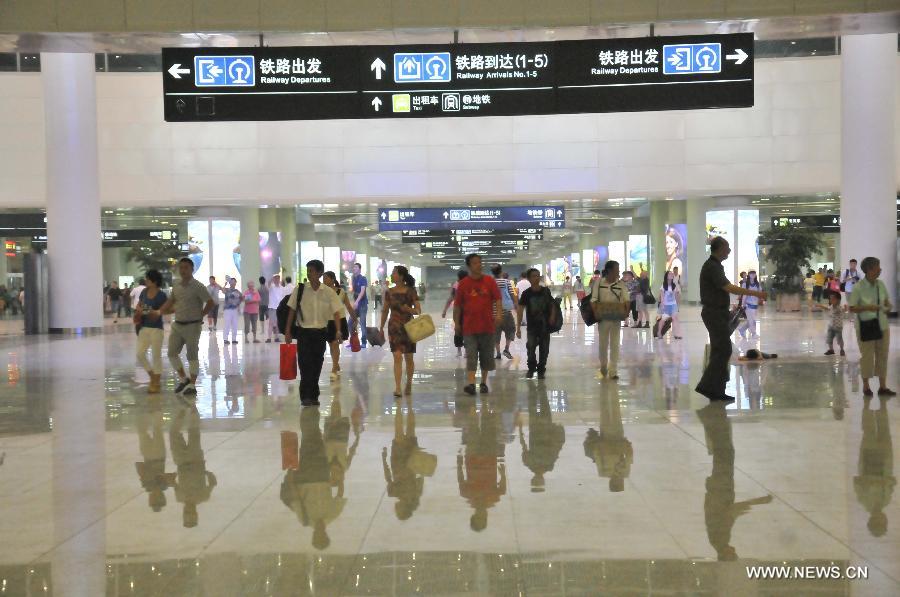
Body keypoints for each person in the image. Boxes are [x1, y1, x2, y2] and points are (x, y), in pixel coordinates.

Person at [695, 237, 767, 402]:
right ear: (719, 248)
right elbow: (728, 287)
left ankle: (715, 389)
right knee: (723, 349)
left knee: (721, 350)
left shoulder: (715, 266)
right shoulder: (712, 266)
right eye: (727, 247)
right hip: (714, 313)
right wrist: (756, 294)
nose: (729, 251)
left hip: (717, 312)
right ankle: (708, 386)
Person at [284, 260, 343, 406]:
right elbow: (291, 310)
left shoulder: (328, 292)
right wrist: (287, 330)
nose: (309, 273)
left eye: (311, 271)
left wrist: (338, 330)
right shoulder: (301, 289)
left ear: (320, 273)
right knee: (305, 364)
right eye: (308, 271)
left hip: (320, 333)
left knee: (317, 363)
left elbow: (337, 312)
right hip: (304, 332)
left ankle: (314, 395)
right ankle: (305, 396)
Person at [159, 257, 215, 397]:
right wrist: (159, 312)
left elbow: (210, 302)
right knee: (171, 353)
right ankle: (184, 379)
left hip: (193, 326)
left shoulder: (198, 286)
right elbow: (171, 301)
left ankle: (192, 385)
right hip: (178, 325)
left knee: (192, 355)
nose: (183, 270)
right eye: (181, 267)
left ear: (192, 270)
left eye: (186, 268)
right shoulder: (176, 285)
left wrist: (201, 315)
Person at [454, 254, 502, 395]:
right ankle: (470, 384)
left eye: (480, 262)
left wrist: (499, 314)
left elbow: (498, 299)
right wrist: (456, 323)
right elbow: (457, 306)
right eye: (475, 263)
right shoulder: (463, 284)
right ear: (469, 266)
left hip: (487, 326)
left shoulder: (489, 281)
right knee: (471, 355)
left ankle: (483, 383)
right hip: (469, 327)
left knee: (486, 356)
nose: (479, 265)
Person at [848, 256, 895, 397]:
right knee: (867, 356)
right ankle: (866, 387)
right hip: (865, 326)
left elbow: (886, 301)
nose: (880, 269)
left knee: (883, 356)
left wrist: (888, 306)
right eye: (877, 267)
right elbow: (852, 308)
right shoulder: (858, 287)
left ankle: (883, 387)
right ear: (869, 269)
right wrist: (867, 307)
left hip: (882, 325)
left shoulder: (881, 284)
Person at [380, 266, 421, 397]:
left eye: (394, 273)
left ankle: (408, 383)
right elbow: (385, 310)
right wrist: (381, 327)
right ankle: (397, 387)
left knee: (409, 357)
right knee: (397, 356)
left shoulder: (411, 291)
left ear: (401, 276)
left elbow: (418, 311)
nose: (392, 275)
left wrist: (409, 309)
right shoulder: (389, 292)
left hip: (409, 327)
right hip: (394, 327)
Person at [591, 261, 630, 380]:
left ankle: (613, 370)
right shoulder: (599, 283)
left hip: (616, 318)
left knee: (615, 344)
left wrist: (626, 312)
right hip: (603, 318)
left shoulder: (621, 284)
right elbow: (593, 299)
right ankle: (603, 365)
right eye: (616, 270)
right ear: (609, 271)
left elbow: (626, 299)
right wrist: (596, 312)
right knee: (603, 344)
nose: (618, 272)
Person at [516, 268, 554, 379]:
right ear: (529, 278)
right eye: (534, 276)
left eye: (538, 276)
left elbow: (552, 305)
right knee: (531, 347)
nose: (536, 278)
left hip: (545, 326)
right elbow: (520, 310)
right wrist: (518, 327)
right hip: (532, 327)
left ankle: (541, 369)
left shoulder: (545, 291)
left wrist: (552, 316)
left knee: (544, 349)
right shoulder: (526, 294)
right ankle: (531, 368)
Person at [134, 269, 168, 394]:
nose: (146, 280)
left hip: (157, 329)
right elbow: (139, 305)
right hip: (144, 327)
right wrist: (139, 310)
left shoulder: (161, 295)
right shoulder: (144, 291)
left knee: (156, 356)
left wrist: (155, 312)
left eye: (148, 278)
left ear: (154, 281)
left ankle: (156, 382)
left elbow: (165, 310)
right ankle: (153, 376)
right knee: (140, 353)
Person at [323, 271, 357, 382]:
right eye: (323, 278)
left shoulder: (341, 292)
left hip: (339, 321)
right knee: (331, 344)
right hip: (327, 321)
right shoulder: (322, 292)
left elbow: (348, 306)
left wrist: (354, 319)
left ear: (333, 280)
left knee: (334, 344)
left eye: (326, 278)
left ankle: (334, 368)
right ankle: (335, 363)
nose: (324, 280)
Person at [492, 264, 516, 360]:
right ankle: (506, 349)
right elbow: (512, 294)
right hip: (505, 311)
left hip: (493, 312)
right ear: (501, 272)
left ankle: (498, 354)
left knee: (496, 333)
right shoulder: (506, 282)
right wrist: (516, 305)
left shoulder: (490, 283)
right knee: (511, 329)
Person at [658, 270, 682, 340]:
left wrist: (677, 305)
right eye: (669, 274)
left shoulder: (674, 285)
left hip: (673, 305)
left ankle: (676, 334)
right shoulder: (663, 286)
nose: (671, 275)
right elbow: (662, 297)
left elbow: (677, 295)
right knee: (663, 320)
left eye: (672, 274)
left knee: (674, 319)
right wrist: (662, 306)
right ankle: (659, 332)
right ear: (666, 276)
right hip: (666, 305)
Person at [737, 270, 761, 340]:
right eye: (751, 273)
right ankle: (754, 333)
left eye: (754, 273)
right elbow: (744, 295)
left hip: (755, 305)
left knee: (750, 320)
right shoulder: (745, 284)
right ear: (749, 275)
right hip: (748, 305)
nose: (753, 275)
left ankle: (742, 330)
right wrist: (742, 304)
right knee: (752, 320)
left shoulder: (757, 284)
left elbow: (760, 293)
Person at [350, 263, 369, 348]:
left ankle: (364, 342)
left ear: (360, 269)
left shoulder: (363, 278)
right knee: (350, 323)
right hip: (356, 305)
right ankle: (354, 340)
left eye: (356, 267)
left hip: (362, 305)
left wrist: (357, 302)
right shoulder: (353, 278)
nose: (354, 268)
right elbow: (354, 292)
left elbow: (362, 292)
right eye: (353, 267)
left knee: (362, 323)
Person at [221, 277, 243, 345]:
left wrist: (239, 306)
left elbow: (241, 298)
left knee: (235, 325)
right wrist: (225, 284)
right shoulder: (227, 290)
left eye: (234, 281)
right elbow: (222, 290)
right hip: (227, 309)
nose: (233, 283)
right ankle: (225, 339)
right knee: (227, 324)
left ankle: (234, 339)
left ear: (236, 283)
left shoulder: (237, 291)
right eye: (231, 281)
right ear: (230, 283)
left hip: (235, 310)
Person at [824, 291, 846, 357]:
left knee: (839, 339)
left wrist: (846, 308)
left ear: (838, 300)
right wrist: (820, 306)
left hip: (838, 327)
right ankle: (831, 350)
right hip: (831, 326)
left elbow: (843, 310)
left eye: (833, 299)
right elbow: (827, 308)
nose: (831, 300)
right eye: (830, 299)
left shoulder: (839, 307)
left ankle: (842, 349)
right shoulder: (831, 306)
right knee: (829, 338)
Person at [266, 274, 285, 343]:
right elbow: (268, 283)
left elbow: (283, 298)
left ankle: (276, 337)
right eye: (275, 279)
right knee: (271, 323)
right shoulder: (271, 287)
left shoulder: (282, 288)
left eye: (278, 278)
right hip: (272, 308)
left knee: (277, 324)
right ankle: (269, 338)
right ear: (273, 280)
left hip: (279, 308)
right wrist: (272, 277)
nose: (276, 280)